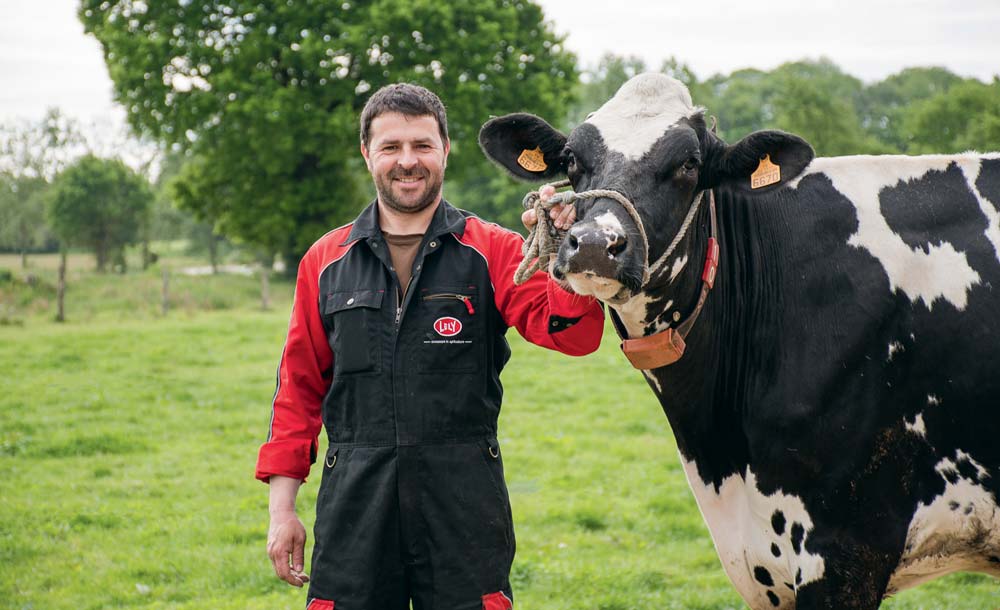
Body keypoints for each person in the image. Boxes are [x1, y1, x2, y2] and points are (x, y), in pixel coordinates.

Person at [255, 83, 604, 610]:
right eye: (391, 147)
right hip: (355, 504)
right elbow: (298, 391)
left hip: (464, 505)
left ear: (445, 149)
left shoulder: (495, 250)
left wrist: (567, 253)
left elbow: (576, 335)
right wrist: (283, 512)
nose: (407, 161)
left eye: (422, 145)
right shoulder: (324, 262)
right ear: (367, 154)